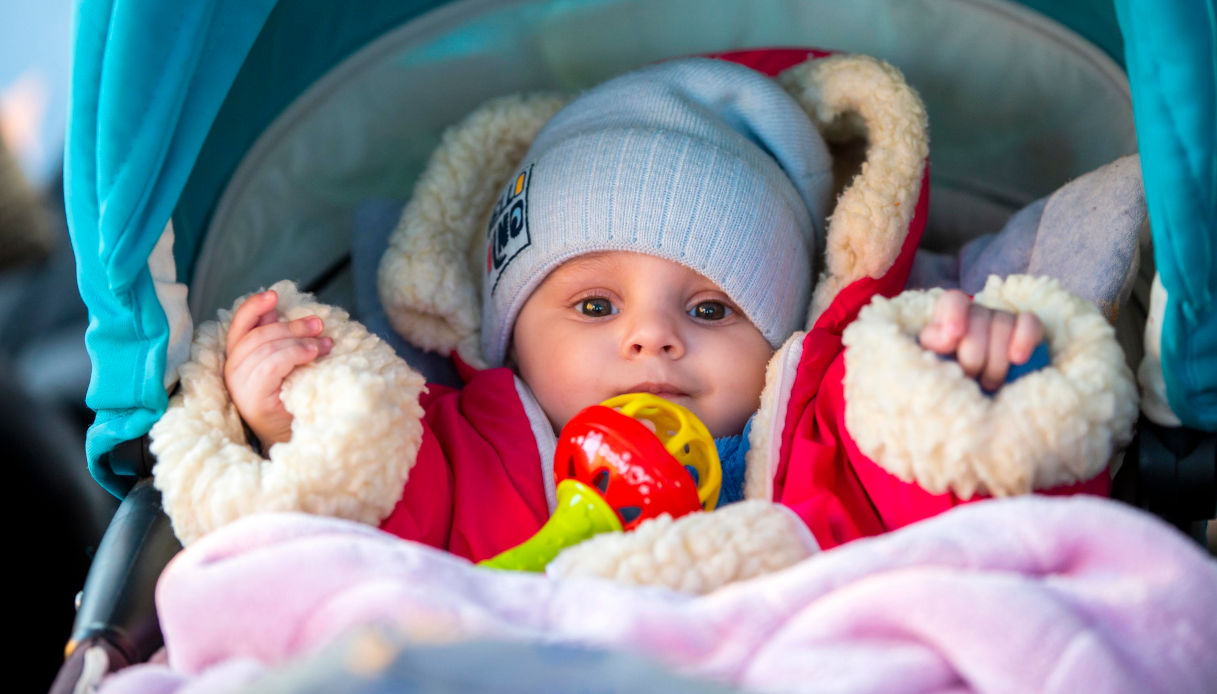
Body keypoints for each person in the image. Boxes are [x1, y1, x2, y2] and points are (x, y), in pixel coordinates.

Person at [152, 54, 1134, 570]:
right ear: (505, 335)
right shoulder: (451, 453)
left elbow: (974, 534)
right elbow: (344, 535)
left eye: (710, 307)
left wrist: (979, 396)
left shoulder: (834, 430)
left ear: (782, 340)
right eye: (592, 303)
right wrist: (290, 425)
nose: (650, 335)